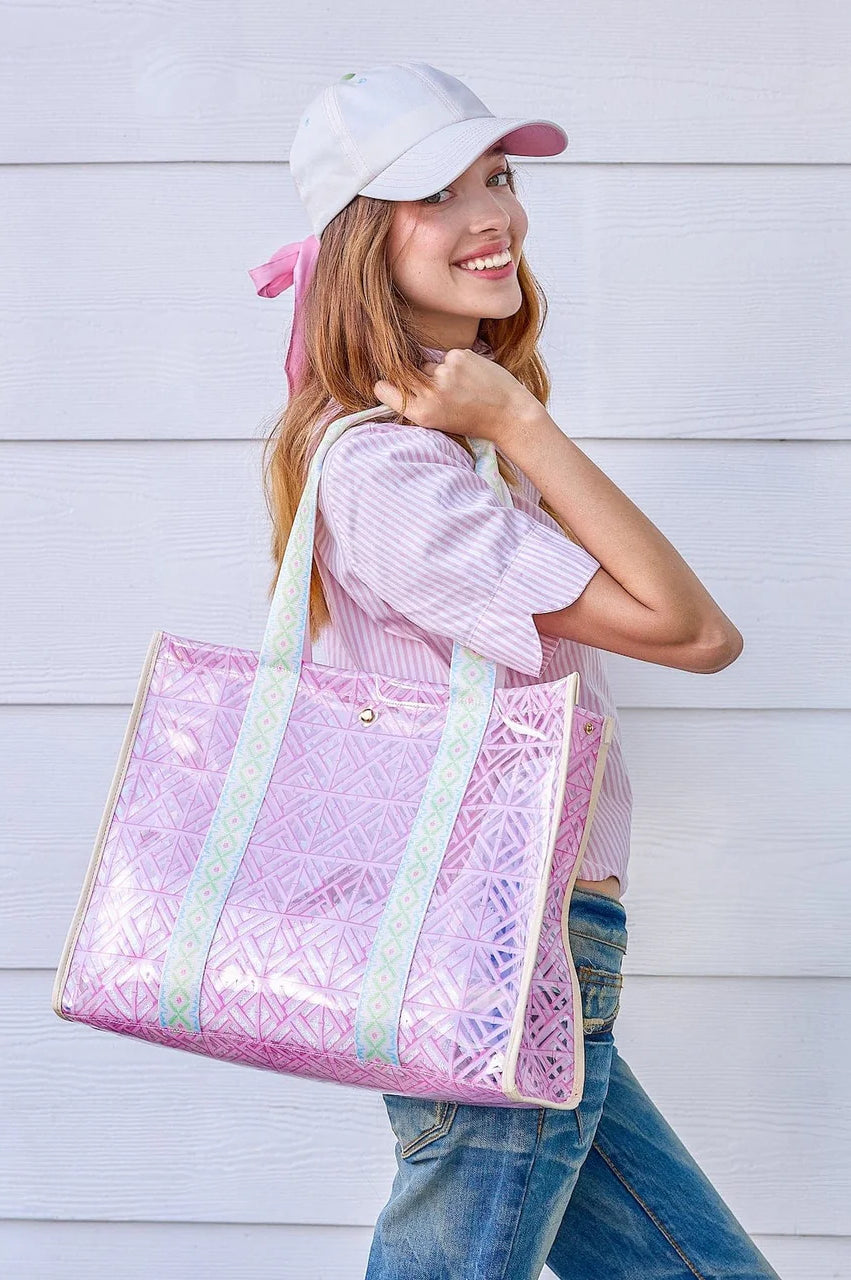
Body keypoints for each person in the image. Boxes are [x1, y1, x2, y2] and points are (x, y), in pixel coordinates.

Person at [250, 60, 780, 1280]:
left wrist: (499, 427)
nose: (492, 213)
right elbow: (692, 630)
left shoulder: (439, 455)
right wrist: (518, 422)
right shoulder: (391, 471)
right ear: (363, 239)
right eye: (439, 191)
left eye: (496, 176)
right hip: (487, 933)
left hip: (525, 932)